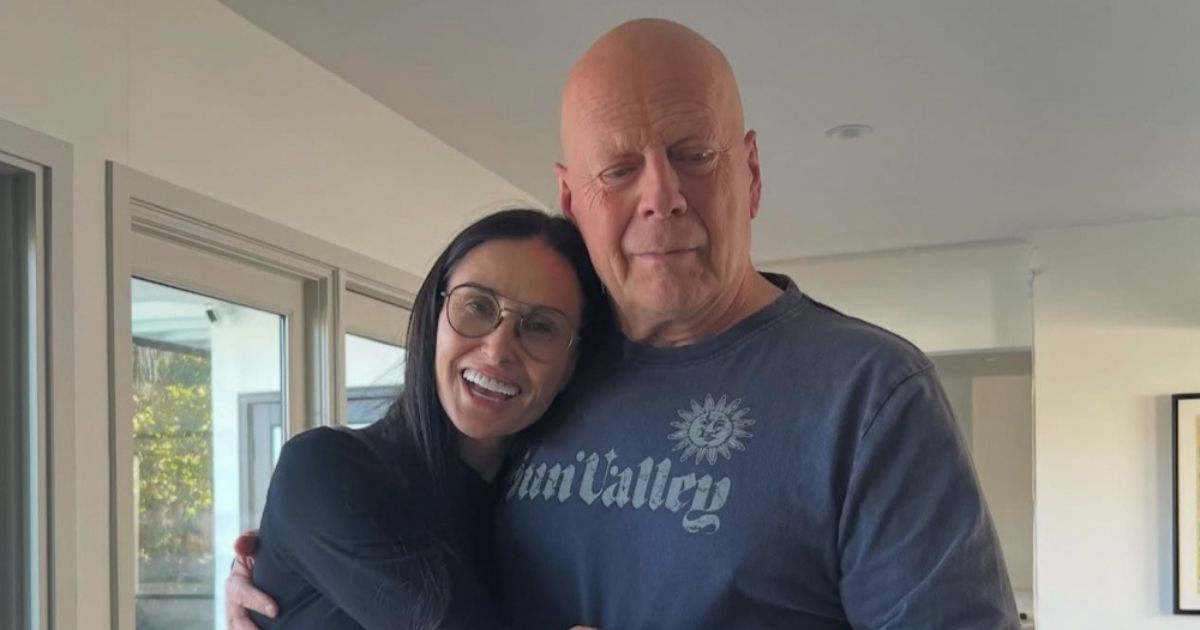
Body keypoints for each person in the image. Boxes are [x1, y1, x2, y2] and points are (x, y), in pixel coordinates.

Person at [229, 18, 1021, 629]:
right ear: (573, 201)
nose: (661, 197)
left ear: (750, 172)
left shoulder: (869, 395)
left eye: (694, 154)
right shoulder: (544, 377)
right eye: (618, 169)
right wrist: (294, 585)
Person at [234, 209, 607, 629]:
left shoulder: (547, 506)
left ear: (570, 365)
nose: (498, 349)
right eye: (477, 305)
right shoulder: (323, 469)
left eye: (540, 327)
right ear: (433, 319)